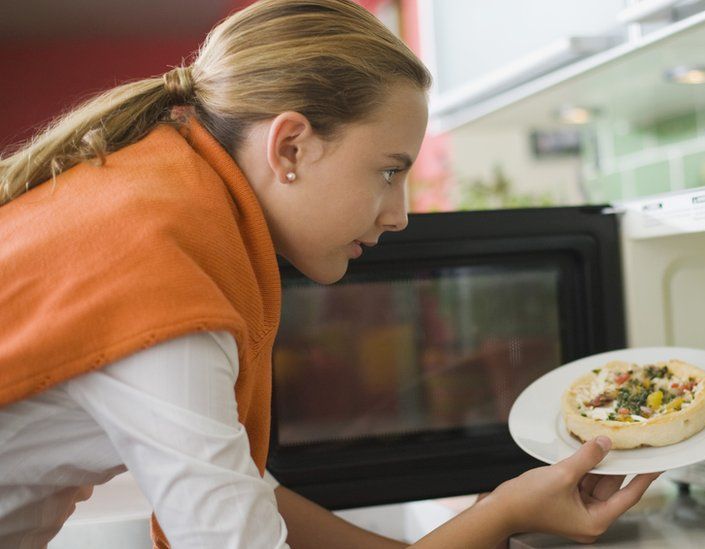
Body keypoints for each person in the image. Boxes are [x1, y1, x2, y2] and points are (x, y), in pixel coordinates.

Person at [0, 0, 659, 547]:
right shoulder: (161, 272)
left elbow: (254, 496)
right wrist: (505, 514)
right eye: (389, 170)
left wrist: (485, 519)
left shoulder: (168, 201)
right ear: (289, 146)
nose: (399, 214)